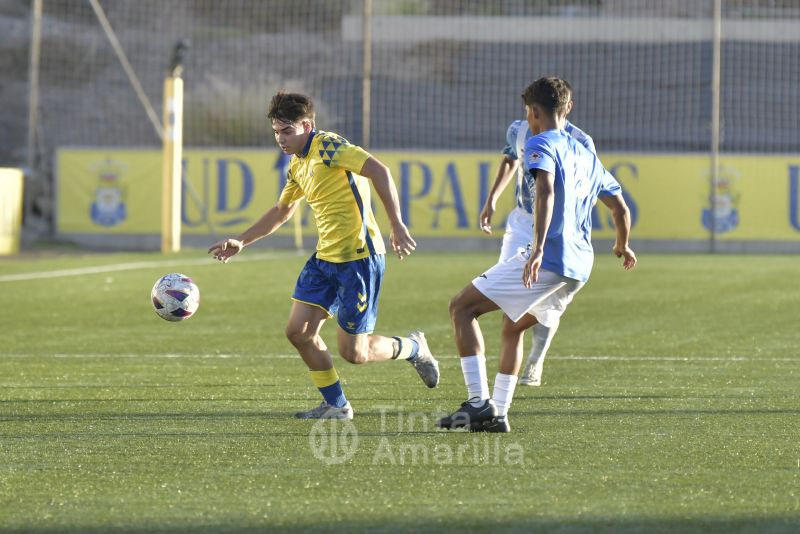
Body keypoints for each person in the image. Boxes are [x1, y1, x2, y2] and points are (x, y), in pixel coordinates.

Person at [209, 92, 440, 420]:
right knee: (298, 333)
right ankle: (337, 404)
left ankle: (414, 347)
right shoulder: (296, 165)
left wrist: (397, 225)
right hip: (325, 260)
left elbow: (380, 171)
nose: (280, 139)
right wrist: (242, 241)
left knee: (354, 353)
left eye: (287, 131)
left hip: (359, 259)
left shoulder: (329, 146)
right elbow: (281, 211)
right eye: (276, 132)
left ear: (308, 125)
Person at [439, 77, 636, 433]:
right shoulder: (586, 153)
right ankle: (497, 414)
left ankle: (477, 402)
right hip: (579, 268)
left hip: (551, 257)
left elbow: (544, 191)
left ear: (532, 112)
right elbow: (619, 207)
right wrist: (622, 244)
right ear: (567, 108)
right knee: (512, 327)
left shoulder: (540, 140)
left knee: (461, 307)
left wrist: (538, 248)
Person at [479, 86, 596, 387]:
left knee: (544, 300)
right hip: (522, 222)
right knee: (510, 297)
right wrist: (492, 198)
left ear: (567, 107)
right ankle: (506, 380)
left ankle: (536, 359)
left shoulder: (581, 142)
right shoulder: (519, 131)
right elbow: (509, 159)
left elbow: (588, 186)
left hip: (557, 226)